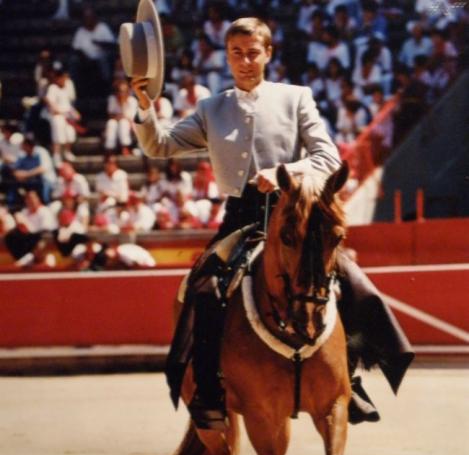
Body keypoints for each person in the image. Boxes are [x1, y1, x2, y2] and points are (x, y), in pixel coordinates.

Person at [132, 16, 413, 429]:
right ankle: (209, 390)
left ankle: (349, 381)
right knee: (205, 287)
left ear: (268, 53)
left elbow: (328, 158)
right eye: (236, 54)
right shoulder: (211, 108)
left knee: (349, 279)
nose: (245, 61)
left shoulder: (295, 97)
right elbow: (160, 145)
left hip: (294, 211)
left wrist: (288, 171)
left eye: (253, 53)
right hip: (240, 217)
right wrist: (144, 107)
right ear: (226, 57)